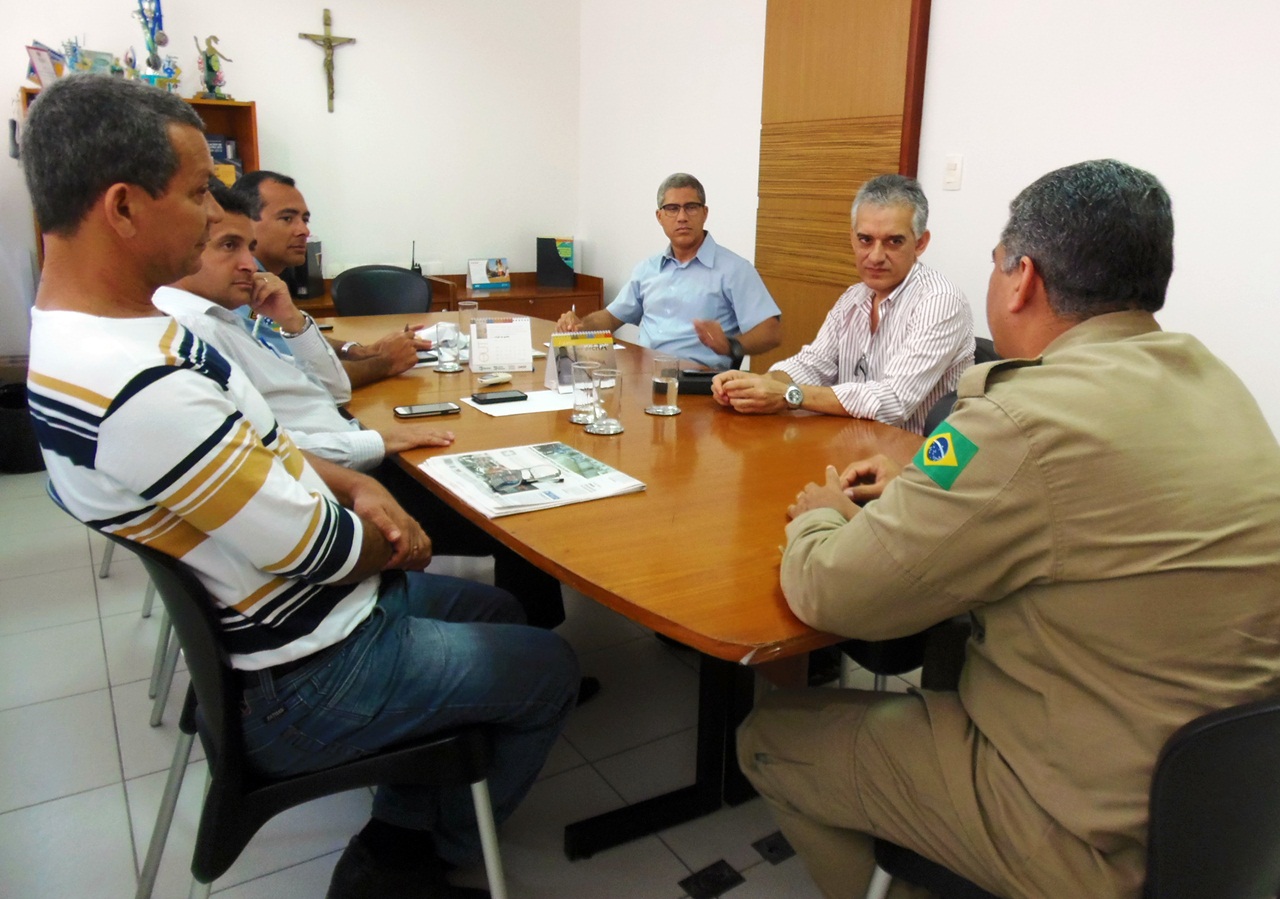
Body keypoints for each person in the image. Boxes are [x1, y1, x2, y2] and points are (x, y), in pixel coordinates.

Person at [23, 74, 578, 899]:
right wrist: (392, 533)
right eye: (197, 194)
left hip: (284, 623)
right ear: (124, 207)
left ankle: (410, 810)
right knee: (551, 665)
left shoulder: (94, 337)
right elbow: (320, 553)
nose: (214, 218)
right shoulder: (141, 389)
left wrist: (352, 482)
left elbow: (256, 443)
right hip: (307, 673)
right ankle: (422, 853)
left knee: (497, 609)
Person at [737, 159, 1280, 899]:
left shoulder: (1017, 415)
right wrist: (922, 478)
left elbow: (833, 591)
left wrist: (822, 516)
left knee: (771, 739)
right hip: (1226, 806)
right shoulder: (1218, 384)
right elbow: (1044, 489)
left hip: (1089, 830)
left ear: (1021, 279)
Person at [152, 180, 575, 633]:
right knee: (518, 507)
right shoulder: (197, 330)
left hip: (348, 460)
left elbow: (333, 391)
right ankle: (534, 643)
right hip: (336, 487)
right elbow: (271, 448)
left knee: (493, 469)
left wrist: (292, 319)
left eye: (248, 248)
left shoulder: (229, 314)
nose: (246, 262)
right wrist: (378, 441)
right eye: (229, 245)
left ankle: (531, 634)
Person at [711, 174, 973, 434]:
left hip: (916, 452)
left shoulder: (940, 301)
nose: (876, 256)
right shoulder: (853, 297)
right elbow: (813, 364)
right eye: (865, 240)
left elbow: (892, 401)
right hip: (852, 440)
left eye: (894, 241)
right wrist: (756, 385)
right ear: (852, 238)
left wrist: (788, 394)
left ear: (920, 243)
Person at [555, 173, 781, 370]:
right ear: (659, 217)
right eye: (672, 209)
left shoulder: (734, 269)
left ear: (704, 213)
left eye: (691, 207)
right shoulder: (647, 269)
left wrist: (731, 345)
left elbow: (770, 332)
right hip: (644, 376)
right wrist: (580, 326)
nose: (682, 217)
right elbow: (611, 317)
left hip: (699, 382)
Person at [233, 169, 422, 388]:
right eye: (287, 218)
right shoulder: (239, 287)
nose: (304, 230)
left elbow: (293, 340)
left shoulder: (265, 281)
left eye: (305, 220)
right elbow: (308, 379)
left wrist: (358, 351)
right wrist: (385, 362)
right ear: (244, 223)